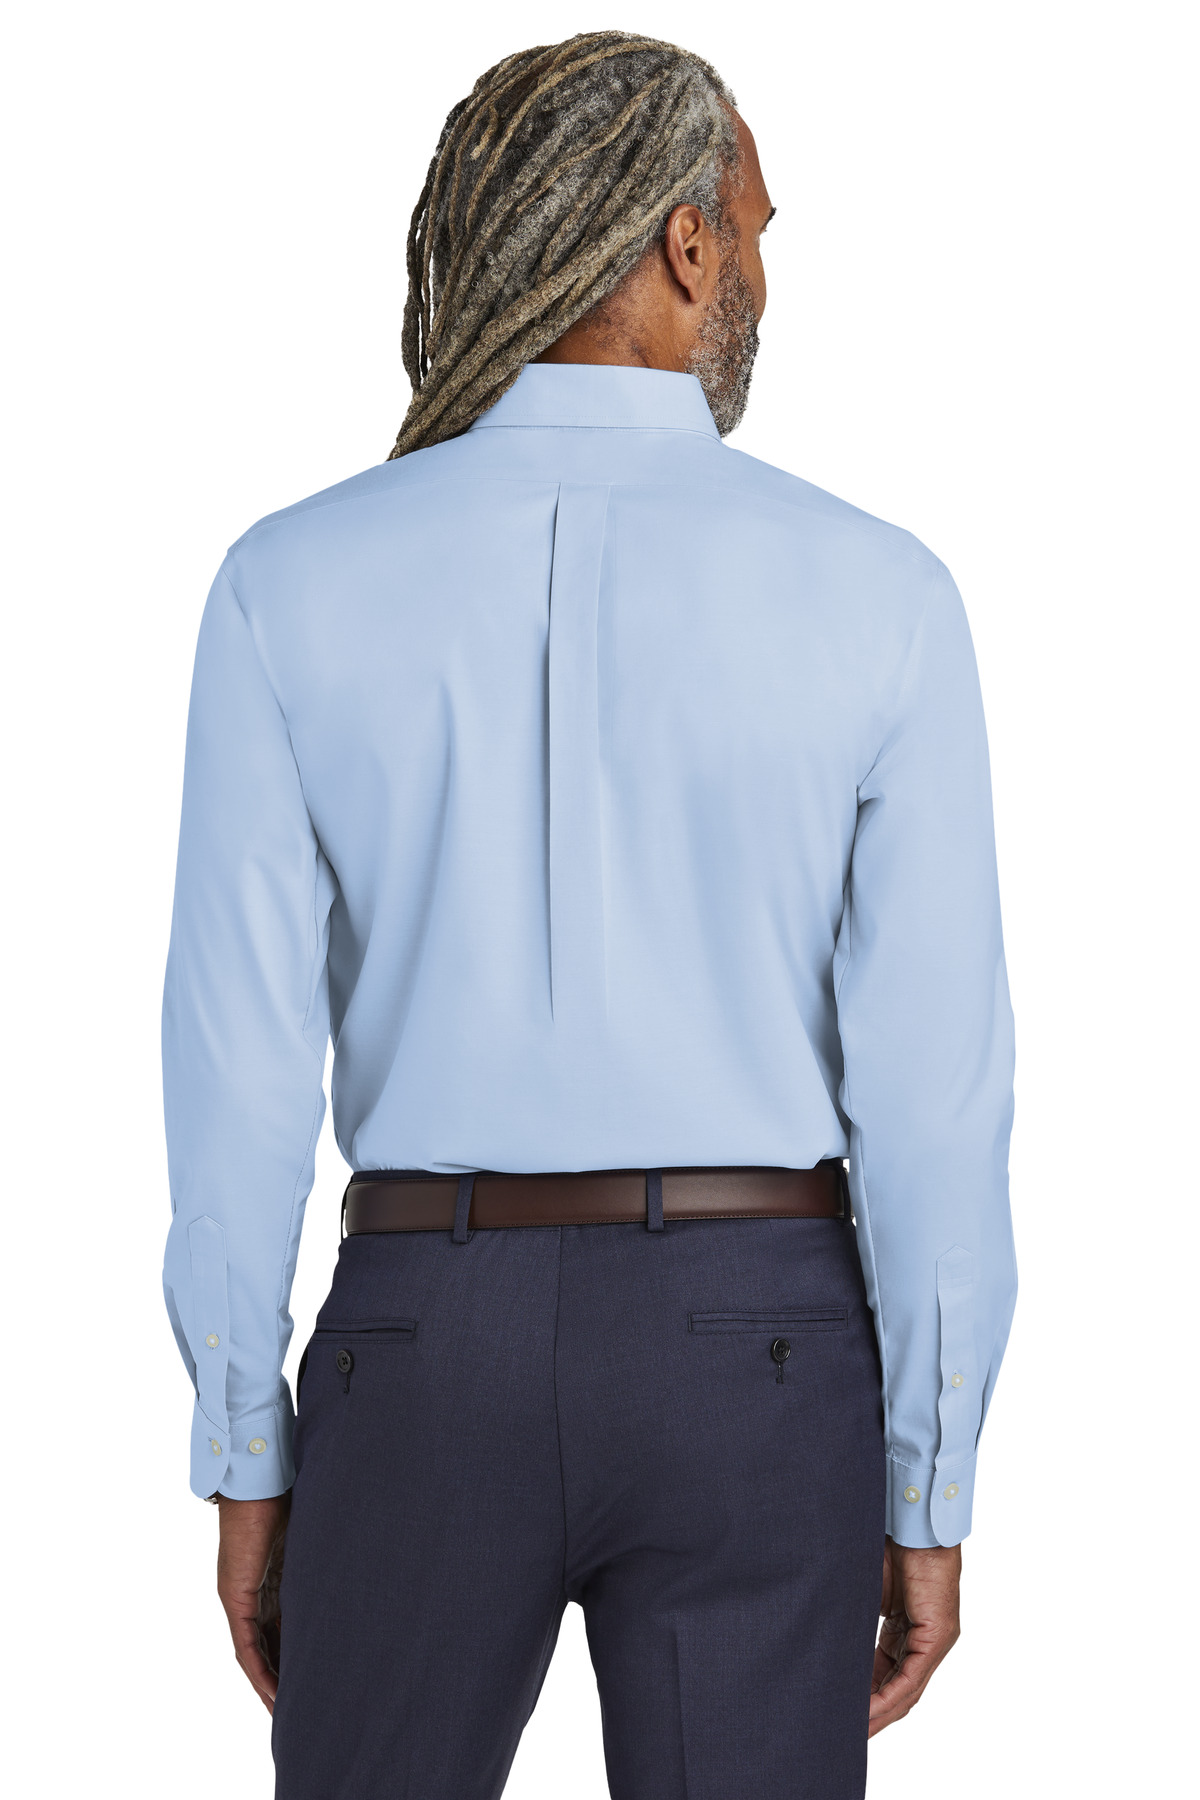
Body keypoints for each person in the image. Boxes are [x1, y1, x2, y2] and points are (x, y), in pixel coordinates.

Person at [162, 30, 1017, 1800]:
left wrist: (246, 1455)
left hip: (422, 1340)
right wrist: (930, 1487)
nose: (764, 268)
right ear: (687, 247)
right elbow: (934, 1100)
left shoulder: (285, 582)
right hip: (759, 1350)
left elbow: (233, 1073)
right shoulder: (884, 596)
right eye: (756, 228)